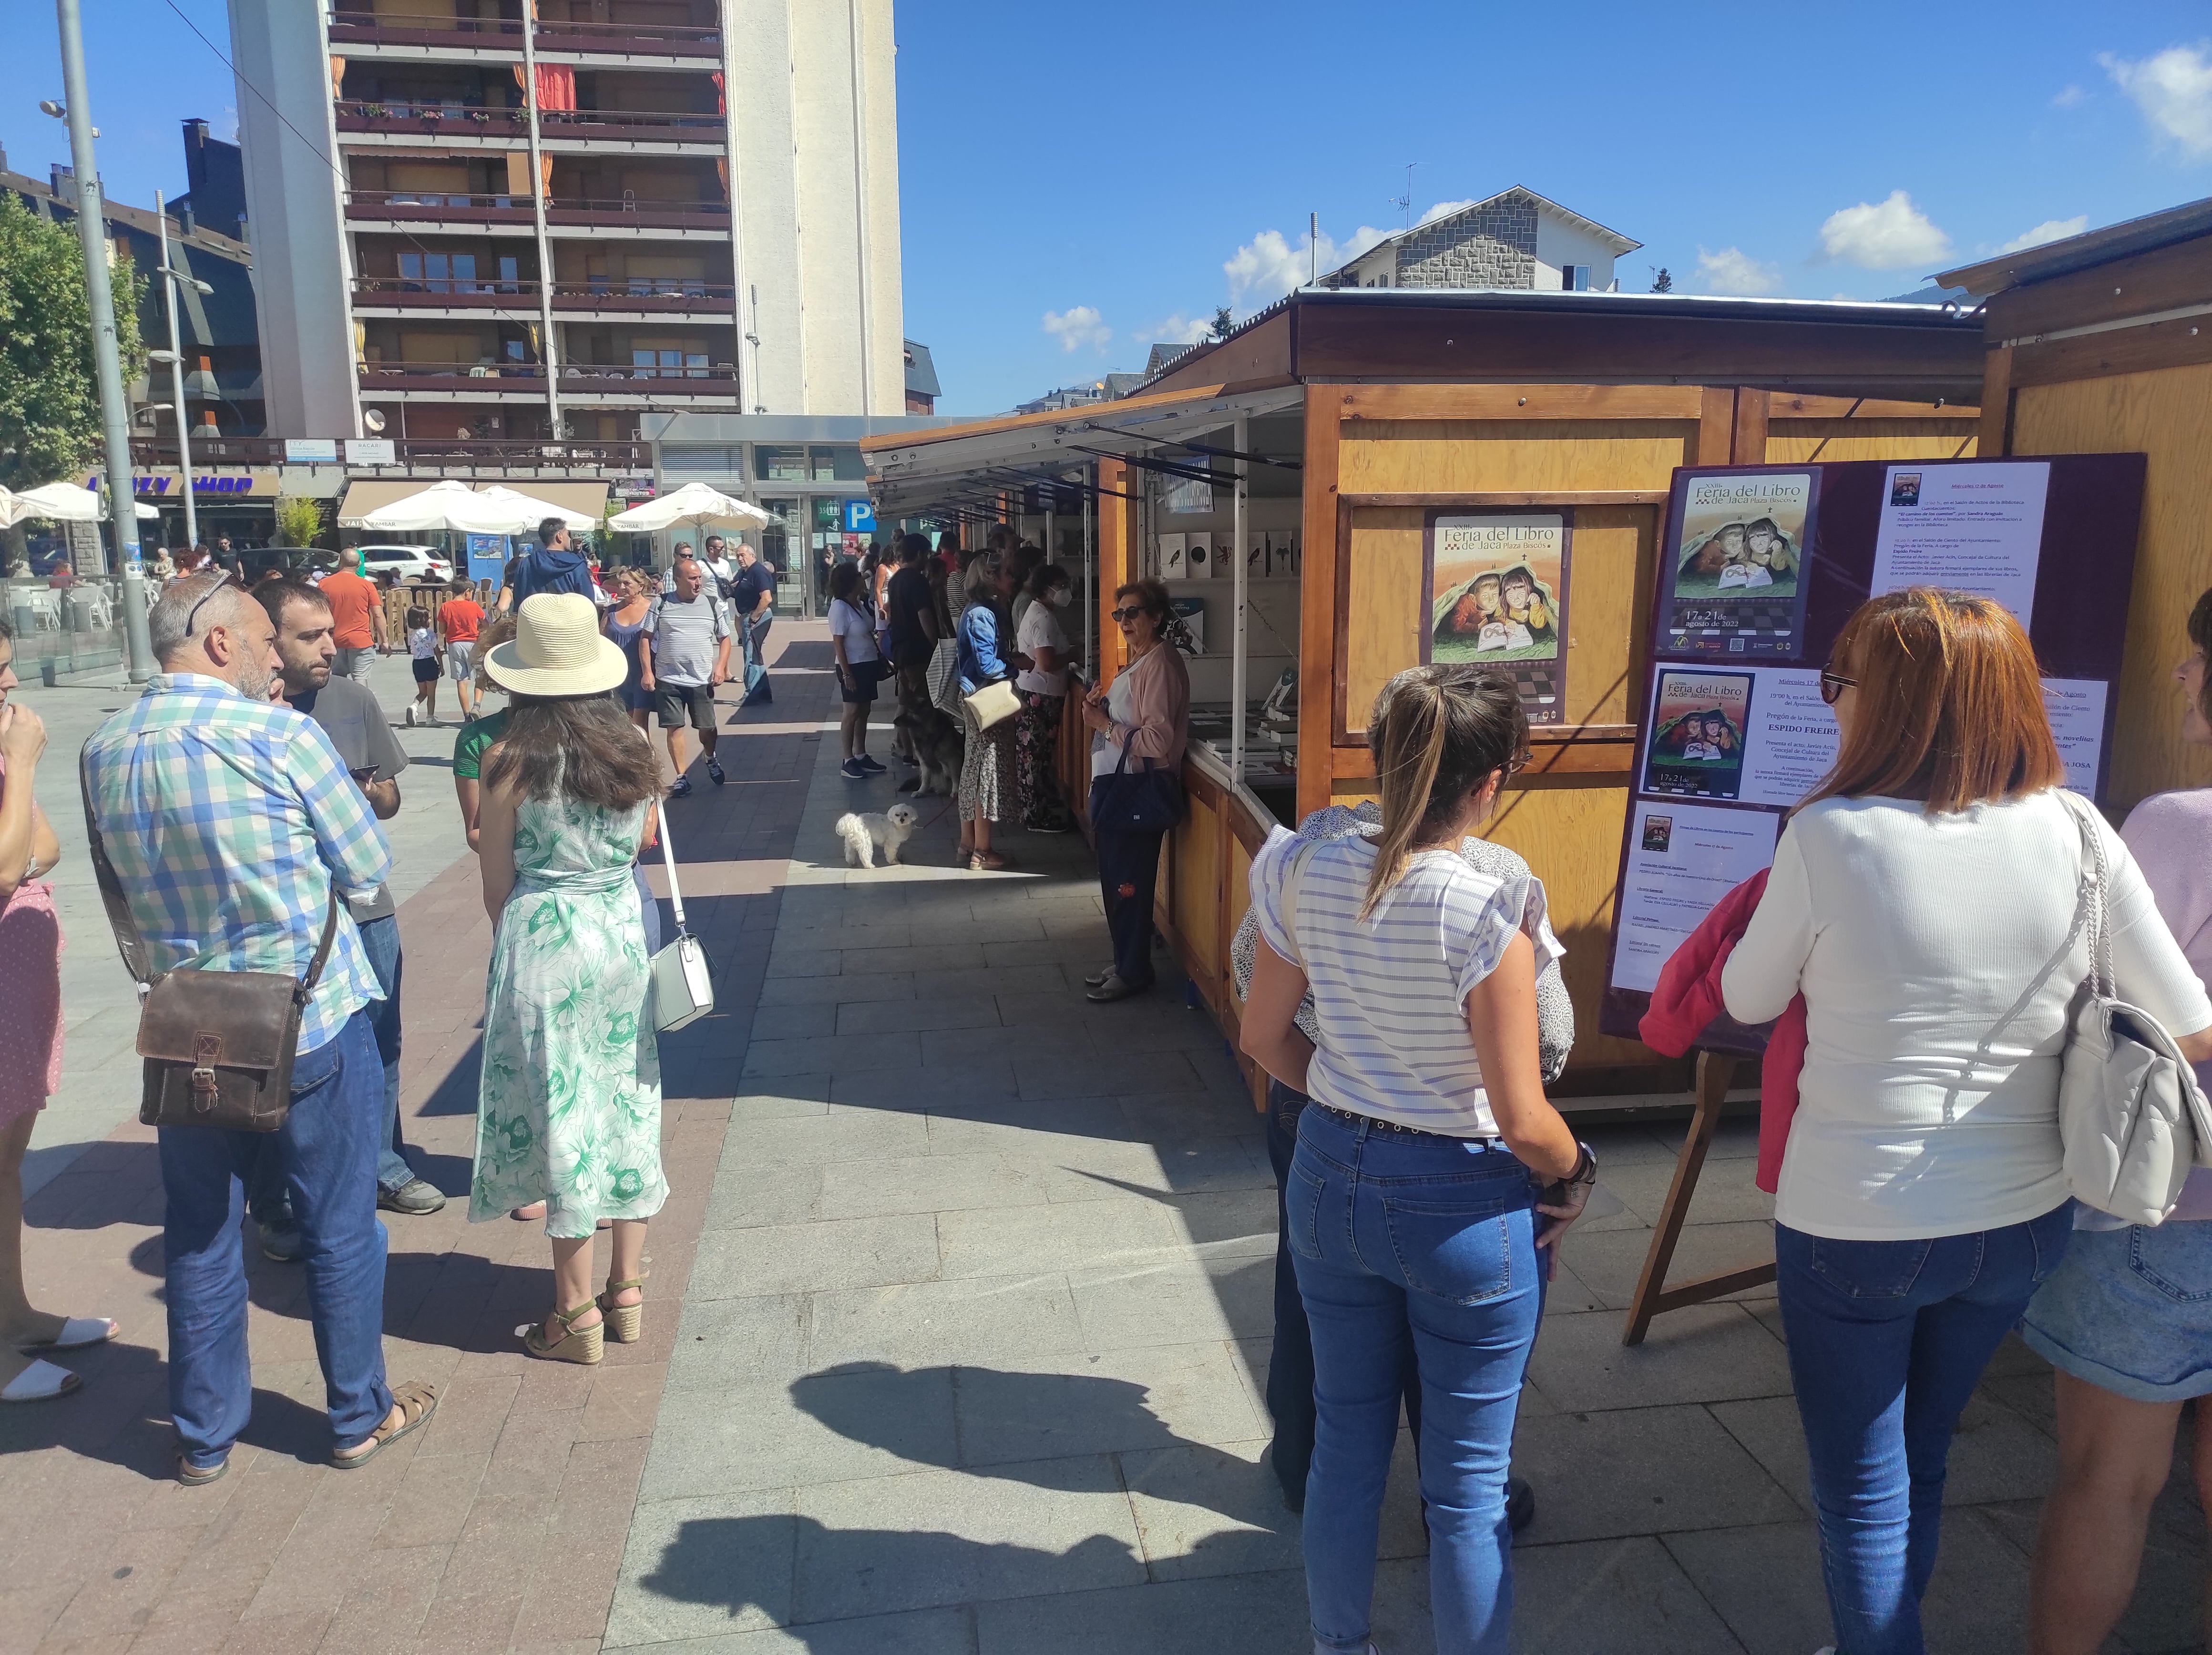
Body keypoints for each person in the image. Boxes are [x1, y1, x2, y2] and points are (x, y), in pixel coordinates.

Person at [1719, 588, 2212, 1655]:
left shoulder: (1830, 833)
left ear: (1888, 703)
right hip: (2021, 1219)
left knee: (1861, 1487)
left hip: (1854, 1221)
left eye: (1841, 686)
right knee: (1921, 1447)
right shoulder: (2077, 826)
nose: (1833, 705)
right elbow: (2185, 1018)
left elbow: (1747, 998)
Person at [1237, 664, 1595, 1655]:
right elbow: (1526, 1118)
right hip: (1464, 1202)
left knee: (1345, 1446)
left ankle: (1336, 1644)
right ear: (1487, 784)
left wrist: (1356, 1097)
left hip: (1330, 1177)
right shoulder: (1489, 906)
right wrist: (1577, 1171)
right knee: (1467, 1485)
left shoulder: (1300, 868)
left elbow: (1264, 1038)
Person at [83, 570, 437, 1478]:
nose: (275, 653)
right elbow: (366, 869)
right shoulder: (281, 734)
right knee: (340, 1223)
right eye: (262, 638)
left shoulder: (104, 748)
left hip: (188, 1023)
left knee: (201, 1231)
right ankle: (358, 1414)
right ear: (217, 642)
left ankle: (204, 1437)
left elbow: (120, 902)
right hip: (307, 1015)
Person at [1228, 796, 1569, 1528]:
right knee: (1444, 1310)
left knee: (1308, 1280)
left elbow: (1246, 968)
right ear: (1490, 779)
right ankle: (1457, 1496)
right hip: (1453, 1133)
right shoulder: (1493, 876)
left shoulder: (1310, 848)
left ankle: (1303, 1465)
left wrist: (1331, 1070)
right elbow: (1550, 1036)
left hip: (1316, 1100)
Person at [2025, 586, 2212, 1655]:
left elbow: (2109, 1006)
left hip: (2163, 1207)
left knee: (2109, 1480)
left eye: (2199, 657)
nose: (2184, 673)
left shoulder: (2175, 824)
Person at [473, 594, 667, 1362]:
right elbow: (644, 839)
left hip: (545, 939)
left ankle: (573, 1312)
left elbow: (495, 885)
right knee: (628, 1094)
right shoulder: (634, 746)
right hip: (621, 931)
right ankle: (627, 1291)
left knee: (563, 1110)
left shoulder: (508, 761)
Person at [256, 576, 446, 1243]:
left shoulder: (354, 699)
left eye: (329, 632)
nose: (328, 648)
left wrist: (364, 791)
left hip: (365, 908)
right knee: (287, 1055)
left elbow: (389, 799)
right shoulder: (251, 712)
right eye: (309, 636)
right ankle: (278, 1195)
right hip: (288, 924)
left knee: (378, 1040)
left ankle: (383, 1165)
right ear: (267, 640)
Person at [0, 614, 116, 1403]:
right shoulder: (14, 755)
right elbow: (10, 864)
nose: (11, 686)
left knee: (7, 1163)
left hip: (19, 987)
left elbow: (44, 849)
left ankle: (14, 1314)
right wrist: (21, 763)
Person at [1079, 579, 1189, 1000]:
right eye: (1118, 614)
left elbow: (1157, 740)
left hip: (1136, 792)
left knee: (1128, 884)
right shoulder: (1142, 659)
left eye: (1133, 613)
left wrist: (1105, 725)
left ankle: (1134, 970)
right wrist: (1103, 710)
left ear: (1156, 617)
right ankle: (1126, 960)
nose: (1124, 621)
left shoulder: (1159, 664)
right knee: (1117, 881)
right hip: (1118, 787)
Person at [639, 552, 731, 797]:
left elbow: (725, 639)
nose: (698, 583)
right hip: (668, 678)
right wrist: (648, 672)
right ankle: (682, 777)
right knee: (674, 727)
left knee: (708, 728)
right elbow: (645, 639)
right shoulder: (661, 603)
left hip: (701, 679)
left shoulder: (711, 603)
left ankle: (710, 757)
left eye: (699, 578)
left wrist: (721, 667)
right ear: (677, 580)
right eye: (692, 579)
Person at [956, 556, 1023, 871]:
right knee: (987, 771)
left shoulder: (979, 611)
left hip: (975, 695)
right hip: (985, 697)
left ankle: (969, 842)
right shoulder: (983, 614)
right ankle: (982, 851)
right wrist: (1014, 665)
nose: (1013, 578)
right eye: (1007, 573)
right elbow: (987, 664)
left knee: (974, 767)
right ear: (991, 578)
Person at [1014, 563, 1075, 833]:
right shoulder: (1043, 618)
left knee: (1033, 755)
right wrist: (1075, 654)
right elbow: (1047, 663)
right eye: (1061, 586)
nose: (1066, 591)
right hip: (1042, 694)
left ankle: (1033, 809)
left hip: (1037, 691)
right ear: (1047, 588)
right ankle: (1034, 816)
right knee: (1034, 757)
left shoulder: (1040, 612)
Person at [884, 533, 941, 763]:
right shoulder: (917, 580)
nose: (927, 559)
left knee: (906, 702)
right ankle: (923, 752)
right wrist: (936, 645)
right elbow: (924, 615)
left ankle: (906, 749)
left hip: (900, 649)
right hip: (918, 650)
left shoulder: (896, 579)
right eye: (926, 554)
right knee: (923, 702)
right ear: (918, 554)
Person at [827, 562, 885, 779]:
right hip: (853, 666)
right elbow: (838, 643)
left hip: (868, 662)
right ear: (851, 582)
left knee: (864, 711)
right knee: (851, 712)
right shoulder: (840, 607)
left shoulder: (859, 604)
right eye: (859, 577)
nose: (864, 579)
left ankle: (861, 754)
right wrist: (846, 673)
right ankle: (847, 758)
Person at [316, 549, 386, 682]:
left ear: (339, 562)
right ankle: (358, 703)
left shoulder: (324, 584)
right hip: (360, 640)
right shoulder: (367, 586)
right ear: (359, 564)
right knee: (360, 679)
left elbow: (317, 612)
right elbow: (378, 615)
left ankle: (339, 703)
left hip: (333, 640)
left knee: (337, 679)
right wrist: (385, 641)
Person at [603, 567, 656, 732]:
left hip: (642, 673)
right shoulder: (612, 610)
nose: (622, 588)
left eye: (627, 583)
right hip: (618, 675)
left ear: (640, 586)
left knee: (639, 725)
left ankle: (645, 757)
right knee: (623, 725)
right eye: (620, 584)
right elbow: (601, 640)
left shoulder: (652, 609)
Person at [508, 517, 600, 611]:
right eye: (568, 534)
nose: (569, 539)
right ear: (559, 536)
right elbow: (589, 605)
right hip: (568, 623)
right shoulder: (577, 566)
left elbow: (519, 601)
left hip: (534, 623)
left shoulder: (525, 565)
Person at [728, 539, 777, 705]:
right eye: (737, 556)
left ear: (752, 556)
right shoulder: (744, 572)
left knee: (750, 657)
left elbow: (767, 598)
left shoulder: (758, 572)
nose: (740, 559)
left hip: (757, 617)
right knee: (755, 655)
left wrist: (754, 618)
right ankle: (763, 693)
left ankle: (751, 694)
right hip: (748, 615)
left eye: (743, 555)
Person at [437, 576, 485, 723]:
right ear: (467, 592)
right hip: (473, 643)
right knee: (481, 676)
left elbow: (442, 629)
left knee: (462, 680)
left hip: (455, 645)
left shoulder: (446, 607)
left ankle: (466, 715)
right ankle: (476, 706)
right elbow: (485, 623)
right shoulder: (474, 606)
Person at [403, 603, 440, 726]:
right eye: (428, 618)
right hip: (429, 662)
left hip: (417, 664)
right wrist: (442, 665)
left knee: (422, 692)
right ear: (422, 620)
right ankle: (430, 717)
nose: (430, 620)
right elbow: (436, 650)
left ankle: (414, 706)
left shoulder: (412, 635)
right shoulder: (430, 634)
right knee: (431, 694)